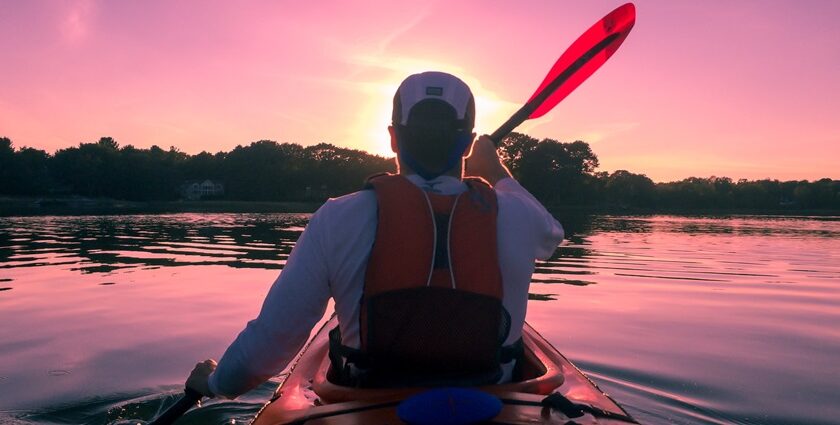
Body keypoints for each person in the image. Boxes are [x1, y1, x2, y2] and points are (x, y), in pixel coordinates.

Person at [186, 71, 564, 397]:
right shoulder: (518, 215)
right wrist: (495, 170)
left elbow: (269, 344)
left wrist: (216, 383)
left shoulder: (338, 217)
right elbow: (553, 234)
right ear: (467, 143)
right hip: (494, 401)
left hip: (369, 400)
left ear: (393, 138)